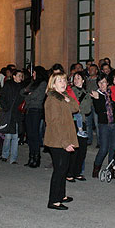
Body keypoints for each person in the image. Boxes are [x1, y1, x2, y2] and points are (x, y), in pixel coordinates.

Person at [43, 73, 79, 210]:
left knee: (64, 168)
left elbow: (75, 108)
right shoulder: (52, 99)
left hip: (64, 137)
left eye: (64, 80)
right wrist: (65, 142)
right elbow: (55, 123)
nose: (63, 83)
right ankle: (54, 200)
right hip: (57, 140)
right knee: (59, 170)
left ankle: (61, 195)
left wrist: (68, 98)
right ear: (53, 84)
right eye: (59, 81)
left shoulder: (62, 97)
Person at [90, 74, 115, 178]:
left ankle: (111, 169)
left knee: (113, 147)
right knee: (103, 148)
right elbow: (99, 111)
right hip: (104, 124)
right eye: (100, 82)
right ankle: (96, 168)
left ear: (107, 83)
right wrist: (98, 99)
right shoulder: (96, 94)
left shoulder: (113, 92)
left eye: (104, 82)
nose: (102, 84)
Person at [68, 72, 93, 181]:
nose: (76, 80)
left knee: (82, 149)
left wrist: (78, 108)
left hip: (82, 122)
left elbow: (87, 109)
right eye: (75, 78)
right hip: (71, 122)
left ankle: (77, 172)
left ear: (83, 80)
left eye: (79, 78)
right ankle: (69, 173)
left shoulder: (86, 93)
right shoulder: (70, 91)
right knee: (73, 148)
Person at [22, 66, 48, 168]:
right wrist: (28, 93)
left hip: (36, 110)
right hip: (29, 110)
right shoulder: (33, 83)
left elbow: (35, 96)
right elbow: (22, 92)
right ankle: (31, 156)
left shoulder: (42, 84)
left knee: (34, 134)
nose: (32, 74)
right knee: (30, 134)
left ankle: (36, 158)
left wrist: (28, 94)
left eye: (34, 73)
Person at [0, 69, 24, 164]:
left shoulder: (22, 86)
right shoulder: (8, 85)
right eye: (19, 75)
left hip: (17, 114)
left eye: (21, 76)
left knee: (15, 137)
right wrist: (6, 108)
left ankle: (13, 158)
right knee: (8, 136)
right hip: (9, 113)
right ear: (14, 76)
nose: (20, 78)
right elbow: (2, 98)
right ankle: (5, 155)